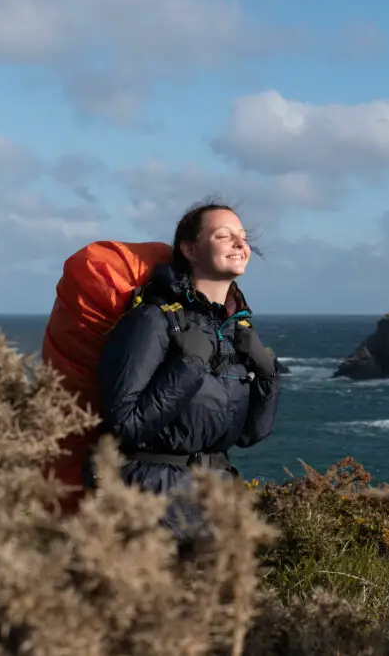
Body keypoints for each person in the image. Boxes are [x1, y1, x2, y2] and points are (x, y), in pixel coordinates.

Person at [93, 199, 281, 542]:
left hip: (215, 501)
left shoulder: (232, 327)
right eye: (224, 236)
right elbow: (124, 424)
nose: (240, 243)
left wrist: (268, 376)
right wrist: (190, 365)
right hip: (152, 506)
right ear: (190, 250)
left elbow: (250, 434)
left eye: (243, 236)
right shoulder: (154, 319)